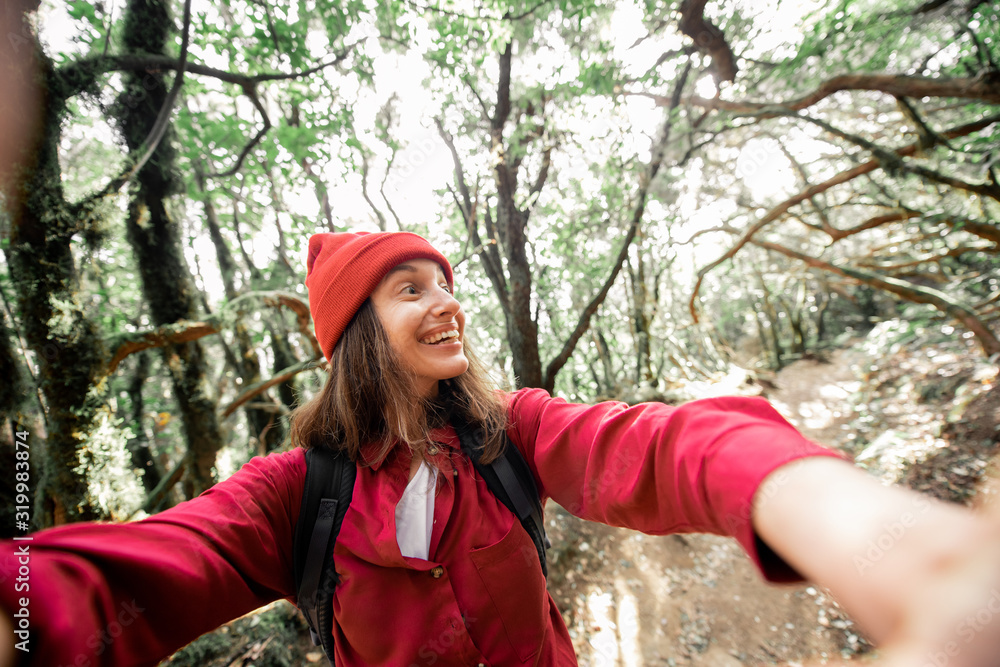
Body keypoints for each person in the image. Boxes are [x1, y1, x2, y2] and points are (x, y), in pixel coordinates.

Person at [1, 230, 999, 667]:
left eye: (445, 279)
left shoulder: (508, 431)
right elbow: (118, 578)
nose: (446, 301)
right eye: (409, 288)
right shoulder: (290, 493)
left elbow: (661, 448)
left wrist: (840, 515)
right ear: (355, 332)